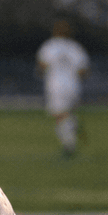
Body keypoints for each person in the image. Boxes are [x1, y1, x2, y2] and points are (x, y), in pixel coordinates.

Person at [37, 18, 90, 157]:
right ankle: (73, 126)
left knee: (60, 116)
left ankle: (69, 146)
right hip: (73, 85)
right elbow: (83, 70)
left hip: (56, 85)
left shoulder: (49, 46)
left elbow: (42, 66)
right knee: (67, 114)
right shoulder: (75, 47)